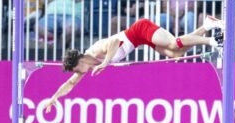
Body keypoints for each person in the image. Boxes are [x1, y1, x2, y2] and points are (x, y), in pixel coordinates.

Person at [44, 16, 224, 113]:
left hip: (140, 29)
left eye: (76, 69)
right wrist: (53, 98)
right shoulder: (85, 67)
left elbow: (114, 42)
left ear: (80, 60)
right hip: (139, 40)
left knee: (174, 43)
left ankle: (212, 41)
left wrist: (105, 63)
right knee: (176, 53)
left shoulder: (95, 51)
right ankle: (207, 25)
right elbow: (70, 84)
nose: (78, 73)